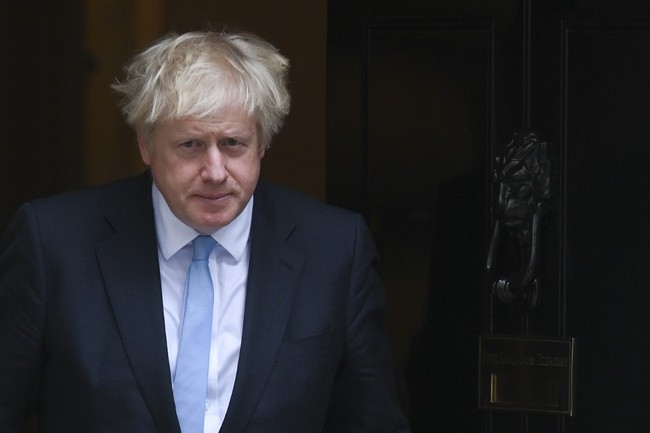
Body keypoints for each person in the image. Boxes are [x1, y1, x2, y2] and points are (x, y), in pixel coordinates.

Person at [0, 29, 411, 433]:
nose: (215, 172)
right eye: (191, 145)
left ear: (262, 143)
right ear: (146, 144)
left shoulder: (335, 249)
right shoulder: (53, 243)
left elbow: (372, 420)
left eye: (233, 143)